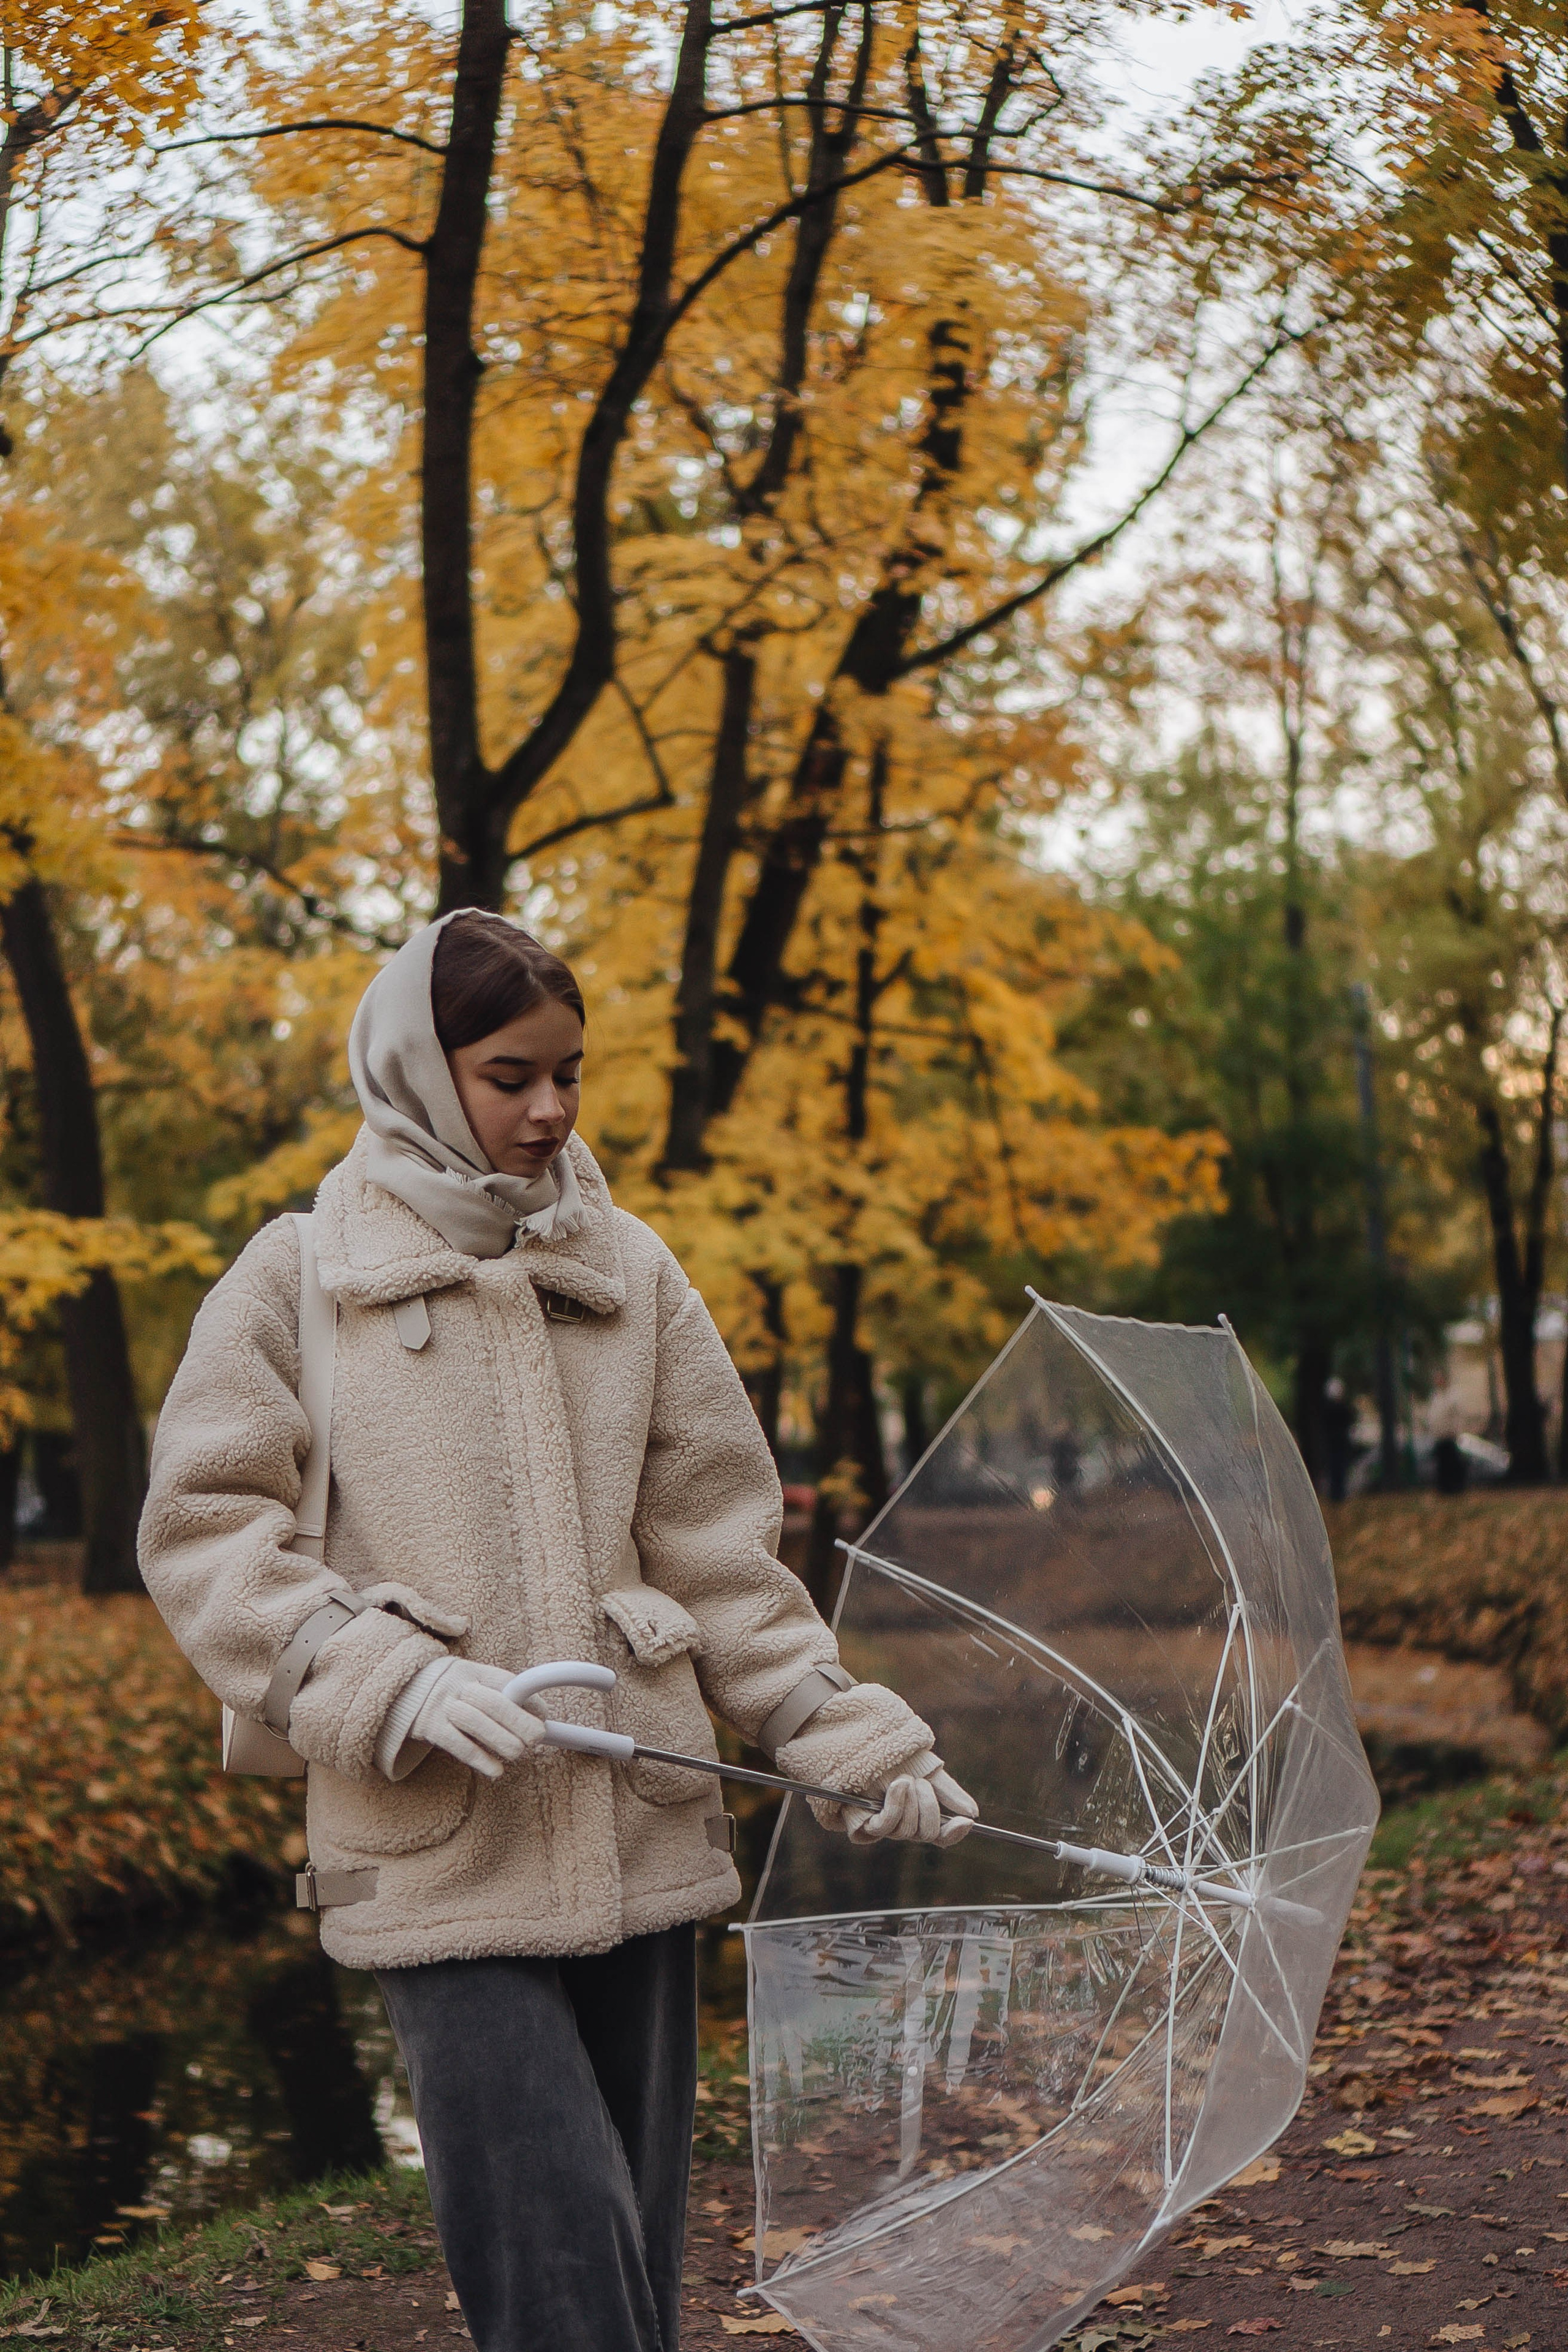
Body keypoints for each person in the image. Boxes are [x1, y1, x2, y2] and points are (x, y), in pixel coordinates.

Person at [138, 913, 976, 2352]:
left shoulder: (631, 1271)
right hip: (434, 1841)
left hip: (644, 1823)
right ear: (415, 1066)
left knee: (633, 2260)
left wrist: (844, 1733)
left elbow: (719, 1555)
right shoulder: (295, 1277)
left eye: (568, 1074)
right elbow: (205, 1534)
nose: (549, 1110)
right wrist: (380, 1677)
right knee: (551, 2254)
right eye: (508, 1073)